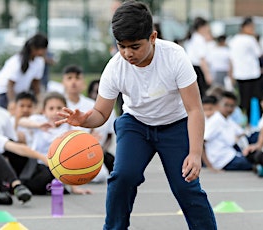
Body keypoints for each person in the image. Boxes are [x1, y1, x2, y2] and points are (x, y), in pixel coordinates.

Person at [56, 1, 217, 229]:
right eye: (121, 46)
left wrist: (195, 153)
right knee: (122, 177)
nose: (127, 53)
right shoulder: (115, 67)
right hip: (136, 125)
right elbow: (101, 112)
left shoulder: (175, 57)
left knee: (186, 186)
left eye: (134, 46)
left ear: (152, 37)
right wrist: (84, 120)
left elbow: (194, 109)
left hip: (175, 124)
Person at [18, 92, 92, 195]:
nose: (55, 112)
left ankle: (51, 186)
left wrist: (75, 187)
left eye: (59, 108)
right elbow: (22, 121)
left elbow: (71, 158)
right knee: (44, 174)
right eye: (51, 109)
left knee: (52, 173)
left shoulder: (69, 128)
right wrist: (38, 125)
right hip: (37, 164)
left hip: (57, 167)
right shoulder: (40, 121)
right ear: (44, 111)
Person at [62, 65, 115, 179]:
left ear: (83, 83)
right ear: (63, 82)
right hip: (62, 150)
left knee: (100, 176)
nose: (73, 82)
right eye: (69, 78)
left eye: (77, 78)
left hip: (86, 151)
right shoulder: (58, 105)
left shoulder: (92, 106)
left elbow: (100, 135)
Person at [0, 33, 48, 109]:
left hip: (21, 94)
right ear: (33, 48)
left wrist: (40, 101)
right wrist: (12, 103)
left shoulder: (39, 62)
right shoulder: (17, 61)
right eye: (41, 49)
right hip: (5, 92)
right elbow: (10, 85)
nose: (43, 51)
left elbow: (36, 83)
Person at [204, 91, 252, 171]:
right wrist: (210, 166)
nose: (229, 109)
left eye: (232, 106)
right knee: (251, 162)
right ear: (218, 105)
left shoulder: (228, 119)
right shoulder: (216, 120)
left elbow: (242, 133)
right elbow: (202, 142)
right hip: (222, 160)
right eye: (226, 105)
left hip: (231, 154)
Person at [228, 16, 262, 120]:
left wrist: (231, 74)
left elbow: (231, 59)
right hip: (252, 74)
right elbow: (259, 53)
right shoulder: (250, 39)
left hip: (239, 74)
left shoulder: (233, 40)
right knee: (255, 98)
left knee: (243, 99)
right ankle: (252, 120)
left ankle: (242, 120)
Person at [185, 16, 213, 98]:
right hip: (197, 69)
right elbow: (202, 59)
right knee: (201, 94)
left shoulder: (194, 37)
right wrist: (207, 75)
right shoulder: (199, 39)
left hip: (192, 67)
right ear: (202, 27)